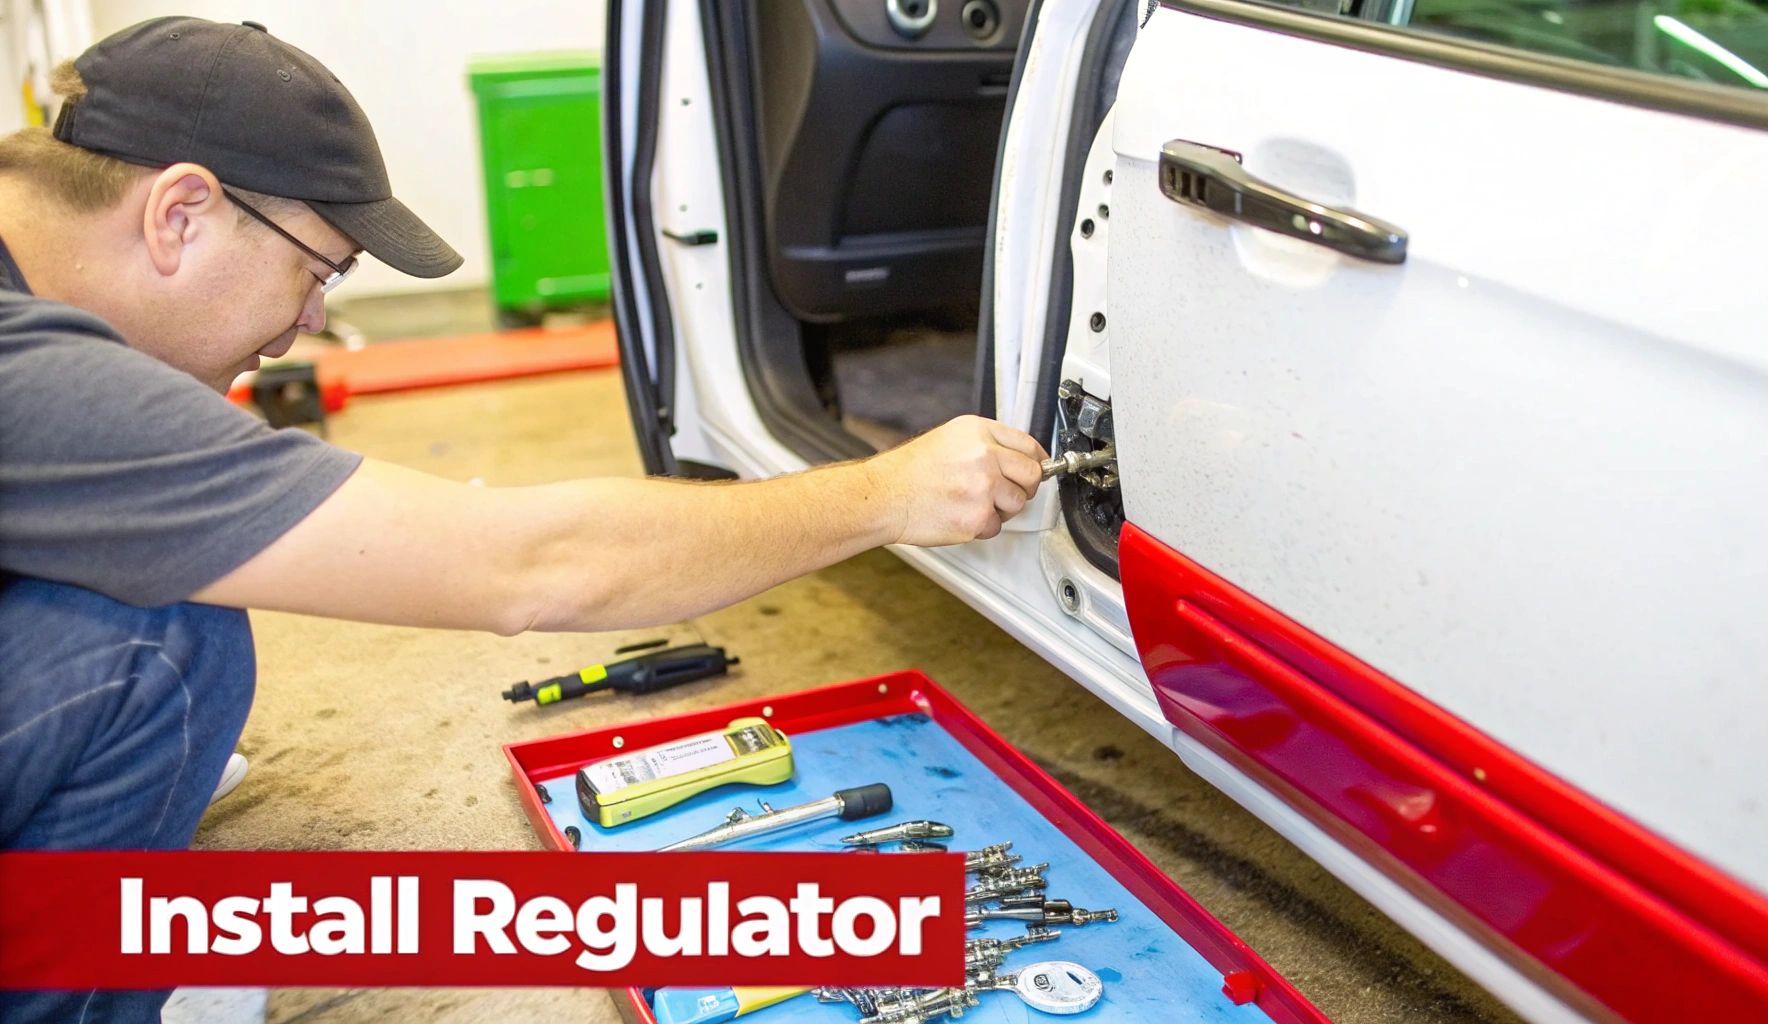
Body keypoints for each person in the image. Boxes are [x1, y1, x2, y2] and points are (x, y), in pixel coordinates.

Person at [0, 17, 1044, 1020]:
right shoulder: (37, 378)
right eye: (315, 271)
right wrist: (887, 491)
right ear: (179, 213)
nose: (309, 324)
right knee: (165, 646)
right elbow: (536, 568)